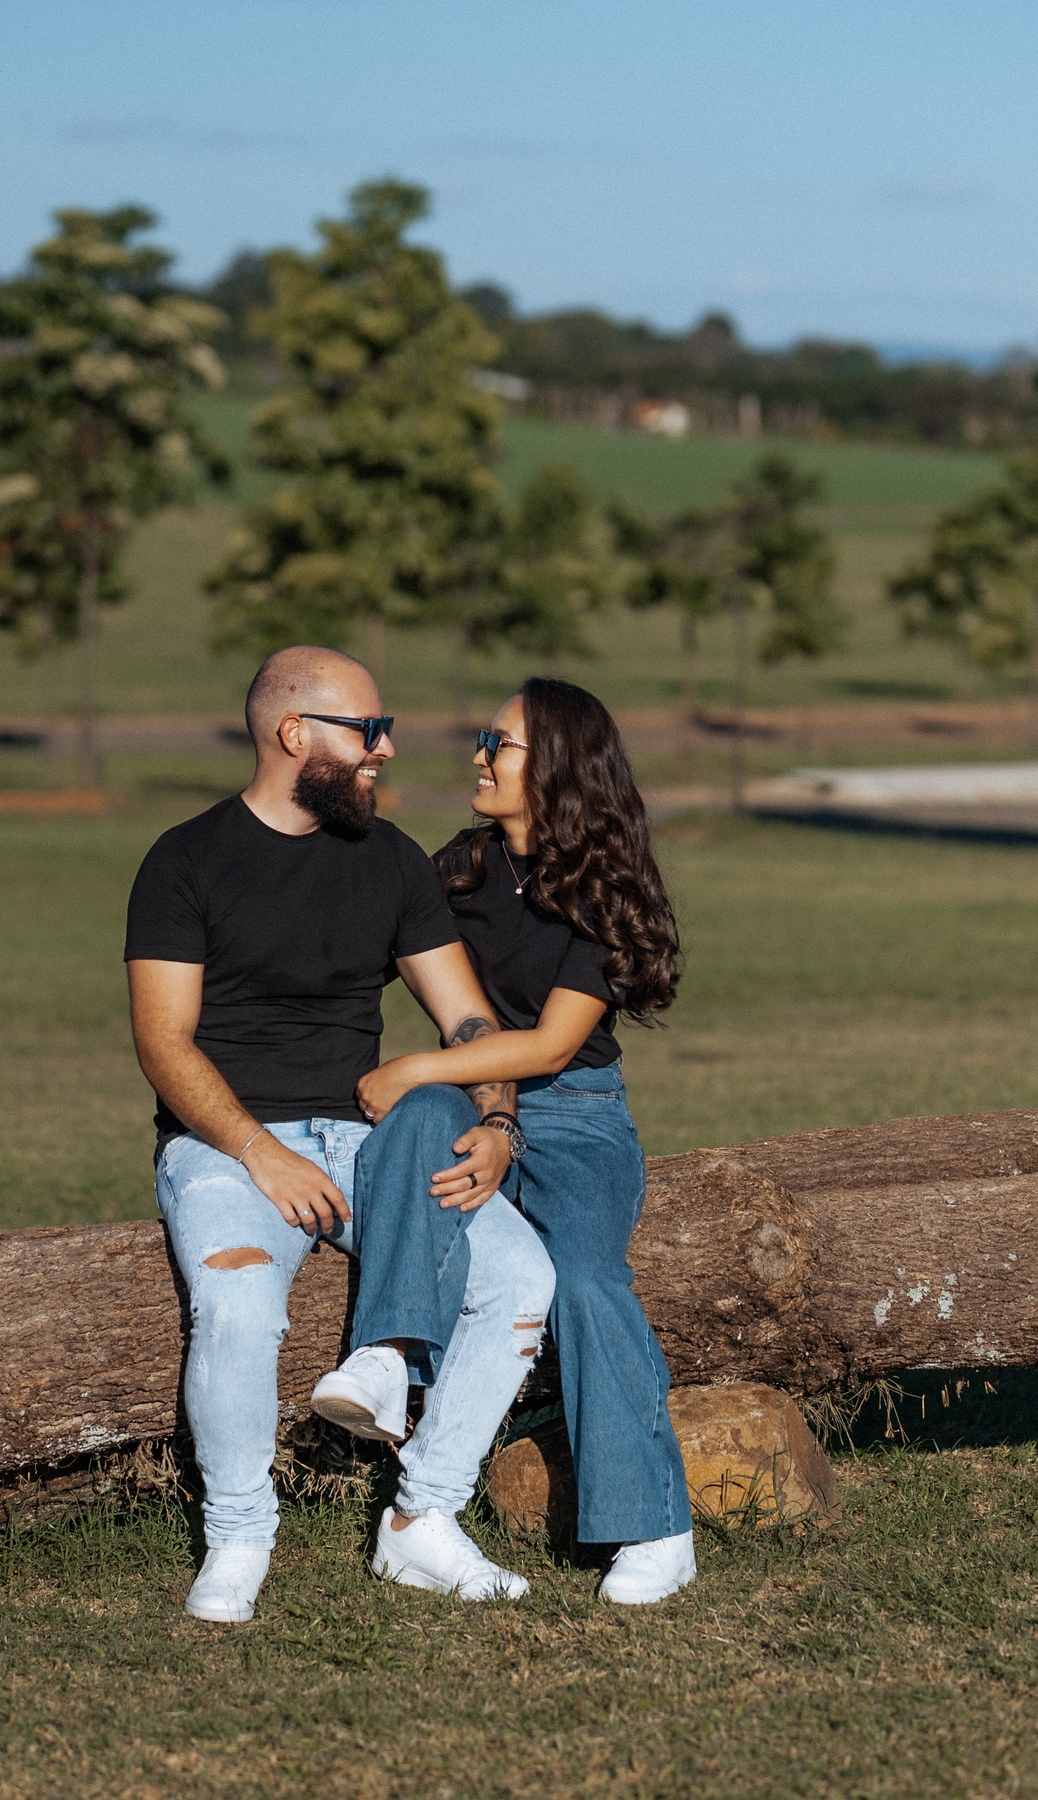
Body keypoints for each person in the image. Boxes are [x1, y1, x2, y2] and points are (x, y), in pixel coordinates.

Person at [125, 646, 555, 1623]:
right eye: (367, 732)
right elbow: (163, 1042)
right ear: (294, 736)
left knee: (522, 1280)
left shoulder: (393, 861)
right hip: (228, 1145)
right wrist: (257, 1150)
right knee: (237, 1304)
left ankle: (422, 1520)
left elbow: (469, 1024)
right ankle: (239, 1536)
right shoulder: (183, 861)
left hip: (373, 1143)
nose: (386, 749)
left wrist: (495, 1121)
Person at [326, 677, 695, 1606]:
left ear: (560, 770)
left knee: (583, 1277)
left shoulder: (605, 890)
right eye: (485, 740)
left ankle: (656, 1527)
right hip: (468, 1094)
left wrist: (415, 1070)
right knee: (419, 1146)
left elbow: (551, 1045)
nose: (479, 758)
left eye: (502, 745)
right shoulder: (460, 868)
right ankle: (387, 1365)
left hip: (572, 1109)